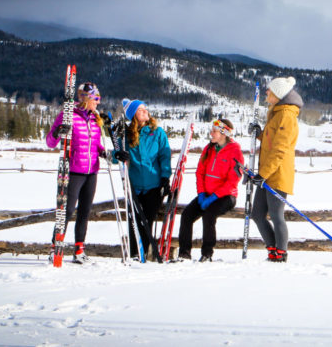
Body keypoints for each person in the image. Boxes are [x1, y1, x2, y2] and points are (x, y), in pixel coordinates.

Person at [46, 82, 108, 264]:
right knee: (66, 210)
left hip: (92, 171)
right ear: (86, 98)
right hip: (73, 171)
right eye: (96, 98)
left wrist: (103, 151)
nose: (98, 102)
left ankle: (79, 249)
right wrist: (58, 132)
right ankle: (55, 247)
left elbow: (95, 143)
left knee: (85, 211)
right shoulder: (68, 116)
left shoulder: (95, 118)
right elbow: (50, 142)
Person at [247, 76, 302, 262]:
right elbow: (271, 141)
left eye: (269, 90)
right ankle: (272, 248)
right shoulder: (277, 112)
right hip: (266, 174)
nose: (266, 93)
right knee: (257, 214)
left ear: (278, 94)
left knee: (277, 215)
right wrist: (259, 133)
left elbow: (280, 149)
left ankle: (281, 252)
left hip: (277, 174)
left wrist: (262, 174)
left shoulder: (286, 115)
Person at [177, 118, 244, 262]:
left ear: (224, 133)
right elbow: (200, 172)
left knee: (209, 215)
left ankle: (207, 253)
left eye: (214, 131)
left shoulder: (235, 152)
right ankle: (184, 253)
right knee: (187, 215)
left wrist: (214, 197)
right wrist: (201, 194)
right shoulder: (209, 148)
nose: (211, 134)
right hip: (206, 194)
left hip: (226, 196)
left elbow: (233, 181)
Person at [114, 98, 171, 262]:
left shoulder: (158, 132)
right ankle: (133, 254)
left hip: (154, 186)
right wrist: (117, 155)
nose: (145, 111)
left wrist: (165, 178)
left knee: (147, 222)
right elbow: (115, 154)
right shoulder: (126, 135)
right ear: (133, 116)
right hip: (134, 186)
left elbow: (164, 157)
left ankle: (143, 255)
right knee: (134, 224)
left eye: (145, 108)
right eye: (140, 110)